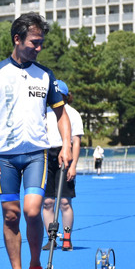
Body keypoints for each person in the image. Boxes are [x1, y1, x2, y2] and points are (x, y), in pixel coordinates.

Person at [0, 13, 72, 269]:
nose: (39, 47)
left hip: (35, 155)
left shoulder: (45, 75)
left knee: (32, 211)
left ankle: (36, 266)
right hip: (5, 157)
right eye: (34, 42)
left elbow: (61, 114)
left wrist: (66, 145)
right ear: (17, 39)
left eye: (41, 42)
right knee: (10, 215)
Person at [42, 80, 83, 252]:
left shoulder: (72, 113)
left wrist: (73, 165)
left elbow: (76, 141)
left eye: (60, 95)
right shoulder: (42, 112)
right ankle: (51, 238)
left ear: (66, 96)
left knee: (65, 201)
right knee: (47, 202)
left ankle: (67, 237)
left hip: (65, 155)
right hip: (44, 155)